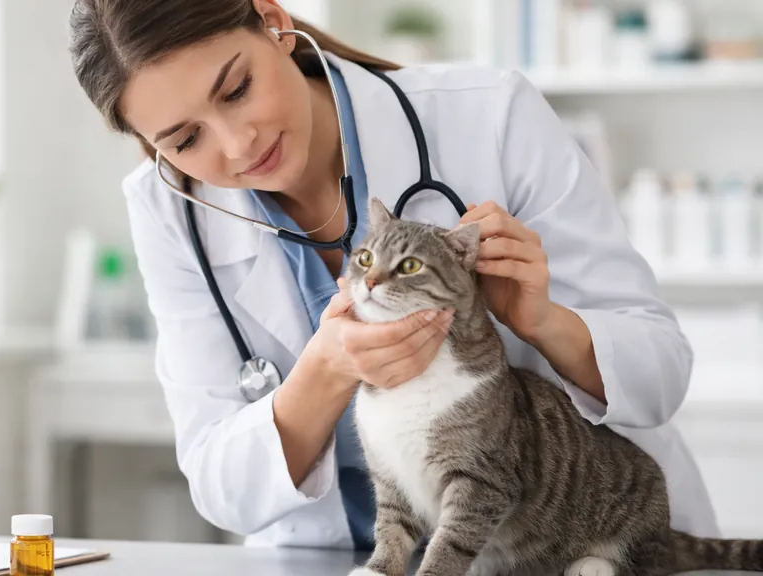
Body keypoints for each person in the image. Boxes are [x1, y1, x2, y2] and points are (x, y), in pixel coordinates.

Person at [67, 0, 719, 550]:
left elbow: (663, 374)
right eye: (184, 141)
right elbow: (221, 486)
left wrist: (545, 323)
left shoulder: (490, 116)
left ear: (270, 19)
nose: (238, 145)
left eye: (236, 89)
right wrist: (324, 371)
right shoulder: (167, 210)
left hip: (567, 551)